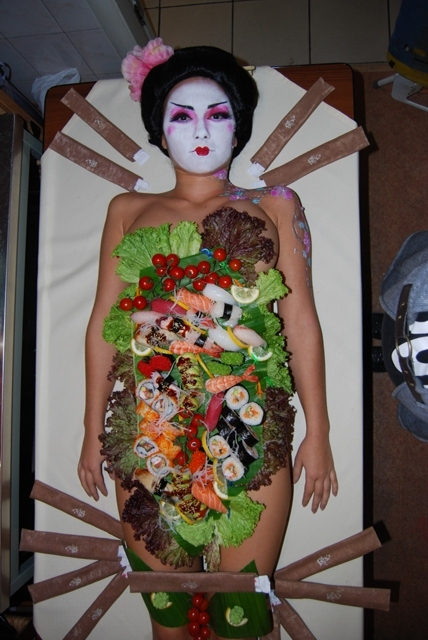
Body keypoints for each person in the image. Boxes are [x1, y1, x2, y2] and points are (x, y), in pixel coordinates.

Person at [78, 40, 338, 640]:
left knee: (241, 616)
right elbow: (103, 322)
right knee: (167, 617)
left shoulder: (276, 204)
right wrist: (92, 430)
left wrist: (319, 430)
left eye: (217, 114)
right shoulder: (126, 208)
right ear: (159, 130)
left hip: (250, 421)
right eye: (182, 115)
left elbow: (300, 320)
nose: (200, 130)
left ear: (238, 126)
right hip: (149, 424)